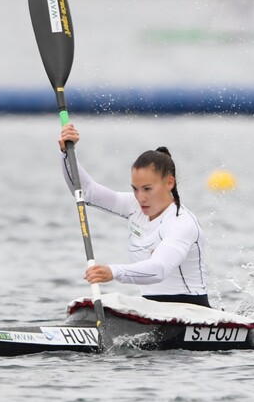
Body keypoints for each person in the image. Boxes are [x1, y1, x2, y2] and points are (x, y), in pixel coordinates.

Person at [58, 123, 211, 307]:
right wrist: (67, 153)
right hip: (151, 309)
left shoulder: (182, 223)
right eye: (135, 189)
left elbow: (159, 269)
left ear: (170, 182)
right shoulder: (133, 206)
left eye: (147, 189)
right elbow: (87, 192)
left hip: (192, 312)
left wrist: (113, 272)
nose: (140, 197)